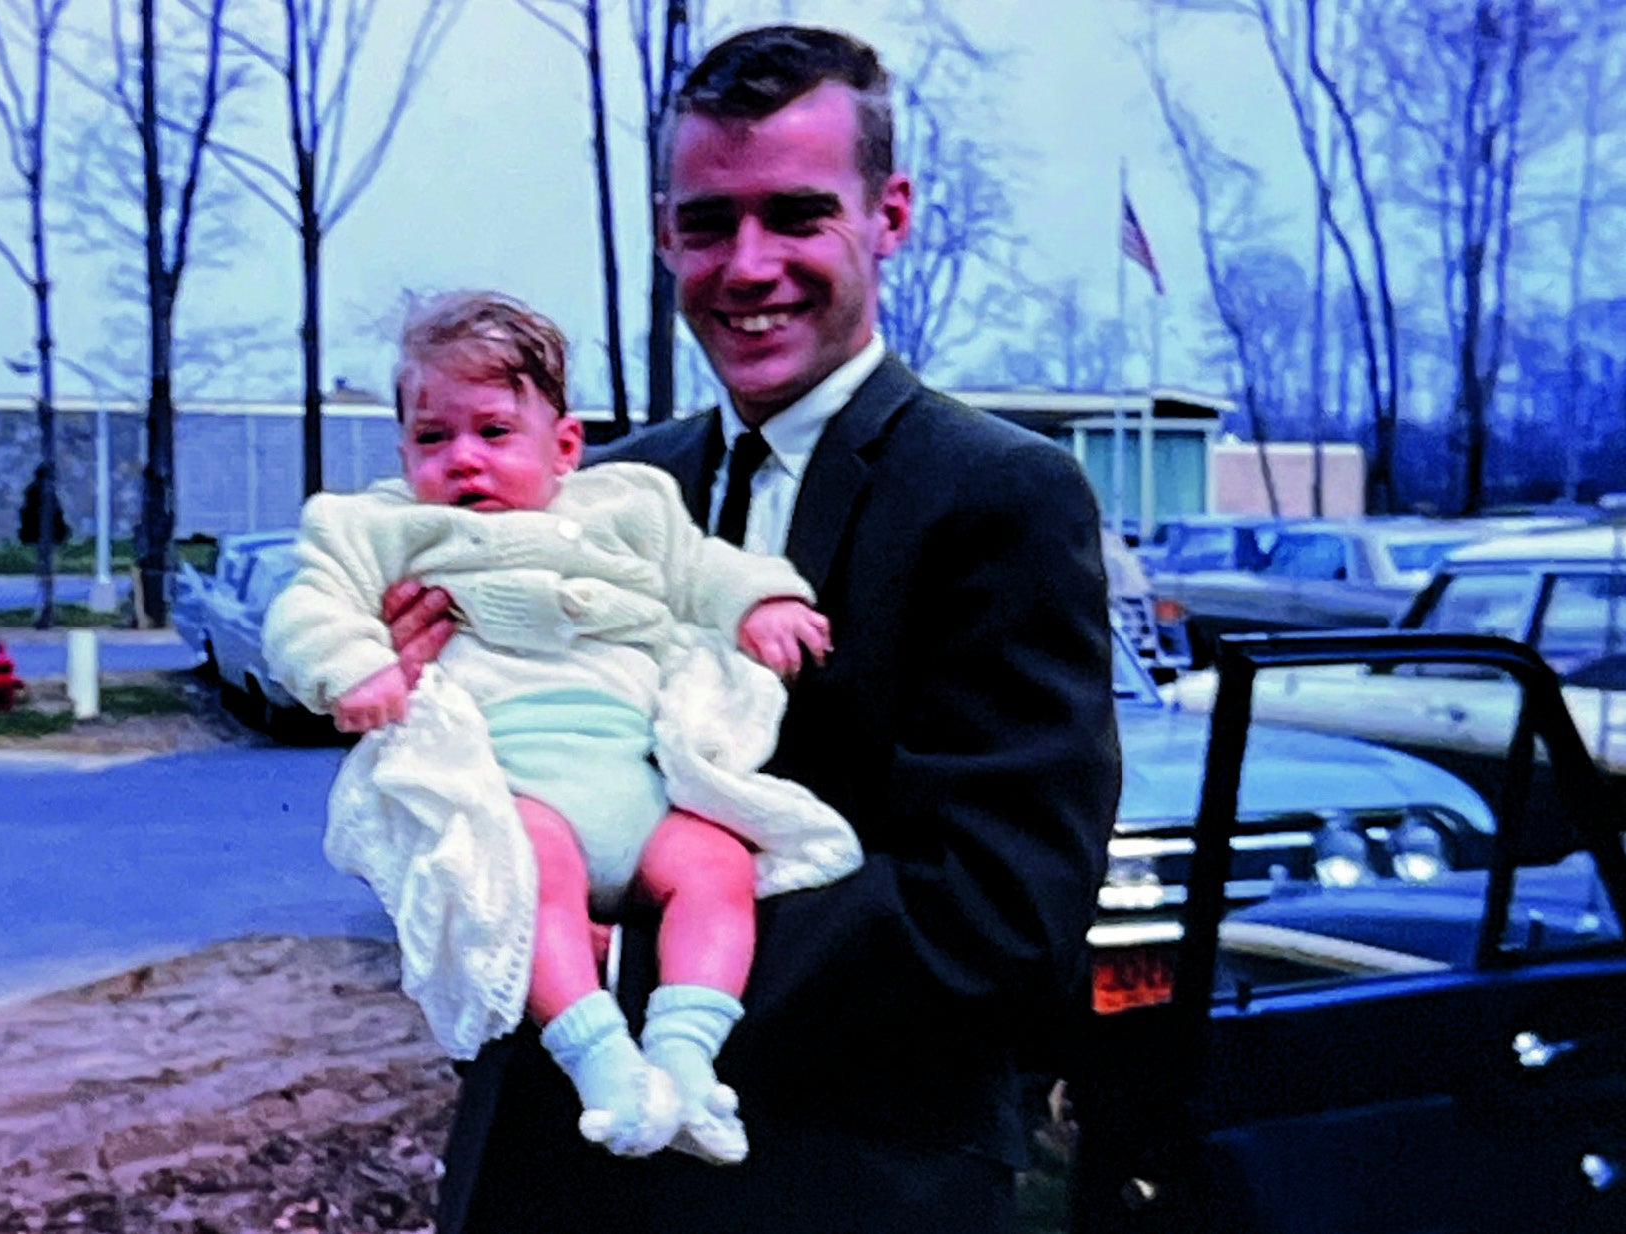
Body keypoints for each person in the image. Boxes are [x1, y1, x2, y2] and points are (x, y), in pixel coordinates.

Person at [416, 26, 1122, 1234]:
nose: (747, 267)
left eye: (796, 215)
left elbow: (1002, 909)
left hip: (843, 1176)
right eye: (707, 222)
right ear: (663, 233)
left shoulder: (998, 494)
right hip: (551, 1167)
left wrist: (626, 962)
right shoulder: (591, 497)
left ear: (887, 214)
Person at [262, 291, 862, 1167]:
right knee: (530, 865)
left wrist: (761, 601)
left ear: (566, 448)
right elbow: (310, 605)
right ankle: (602, 1060)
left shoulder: (627, 507)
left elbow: (702, 568)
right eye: (434, 438)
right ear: (401, 454)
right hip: (516, 786)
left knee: (717, 864)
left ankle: (687, 1055)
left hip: (641, 785)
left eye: (495, 433)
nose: (463, 461)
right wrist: (353, 666)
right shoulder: (379, 528)